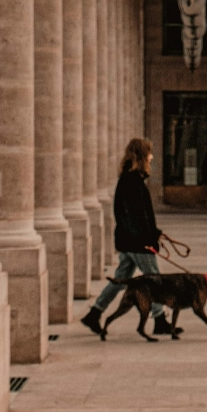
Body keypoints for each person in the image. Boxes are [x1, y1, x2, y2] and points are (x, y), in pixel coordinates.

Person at [82, 137, 174, 340]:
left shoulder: (131, 179)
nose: (152, 156)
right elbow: (137, 216)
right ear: (142, 155)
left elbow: (138, 215)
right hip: (137, 241)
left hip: (130, 240)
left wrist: (154, 232)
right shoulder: (132, 181)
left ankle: (94, 313)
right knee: (154, 279)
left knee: (121, 280)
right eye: (149, 152)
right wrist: (149, 237)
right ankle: (160, 320)